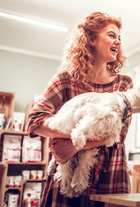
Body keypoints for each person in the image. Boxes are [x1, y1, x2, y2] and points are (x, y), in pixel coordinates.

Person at [27, 12, 133, 207]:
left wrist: (77, 145)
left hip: (111, 175)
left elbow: (120, 133)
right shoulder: (65, 79)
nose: (118, 42)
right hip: (67, 175)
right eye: (111, 35)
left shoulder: (124, 84)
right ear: (91, 39)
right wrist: (75, 137)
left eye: (119, 37)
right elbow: (35, 121)